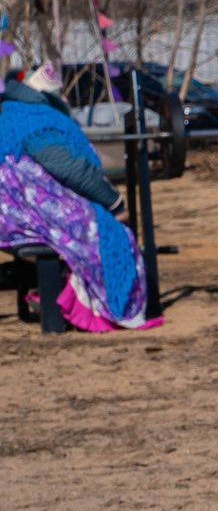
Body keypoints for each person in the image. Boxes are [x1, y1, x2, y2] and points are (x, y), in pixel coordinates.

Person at [0, 61, 153, 329]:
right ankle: (101, 306)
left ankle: (63, 292)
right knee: (108, 233)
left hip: (10, 218)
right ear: (43, 95)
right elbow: (71, 168)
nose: (65, 99)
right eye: (59, 94)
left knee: (84, 229)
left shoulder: (8, 114)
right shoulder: (37, 121)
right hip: (26, 216)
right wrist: (114, 203)